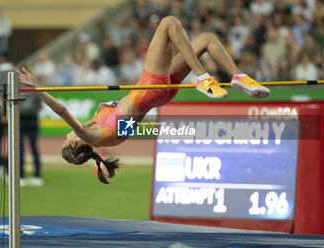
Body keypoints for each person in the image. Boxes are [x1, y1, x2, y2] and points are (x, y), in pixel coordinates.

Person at [15, 16, 269, 184]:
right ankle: (202, 77)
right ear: (74, 146)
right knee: (169, 23)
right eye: (67, 139)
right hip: (149, 89)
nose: (68, 135)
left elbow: (136, 116)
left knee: (205, 40)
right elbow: (61, 109)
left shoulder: (108, 135)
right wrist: (38, 89)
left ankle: (239, 77)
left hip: (158, 95)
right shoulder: (91, 135)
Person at [19, 91, 43, 186]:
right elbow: (40, 106)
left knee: (19, 149)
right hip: (32, 119)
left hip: (20, 118)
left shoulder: (17, 87)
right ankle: (37, 176)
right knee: (34, 148)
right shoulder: (35, 88)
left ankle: (20, 176)